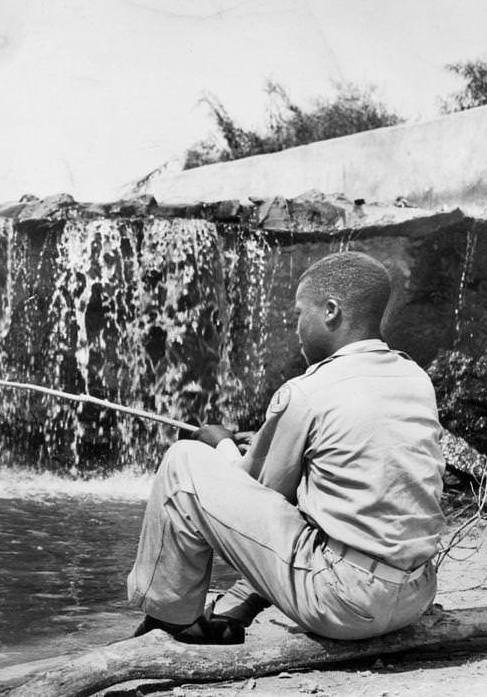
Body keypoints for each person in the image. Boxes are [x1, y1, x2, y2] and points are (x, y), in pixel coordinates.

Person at [127, 251, 446, 644]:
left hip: (344, 605)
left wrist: (221, 444)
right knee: (321, 498)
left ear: (330, 311)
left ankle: (169, 622)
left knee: (184, 463)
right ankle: (240, 605)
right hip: (415, 595)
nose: (295, 328)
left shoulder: (306, 391)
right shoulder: (415, 378)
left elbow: (257, 493)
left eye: (299, 313)